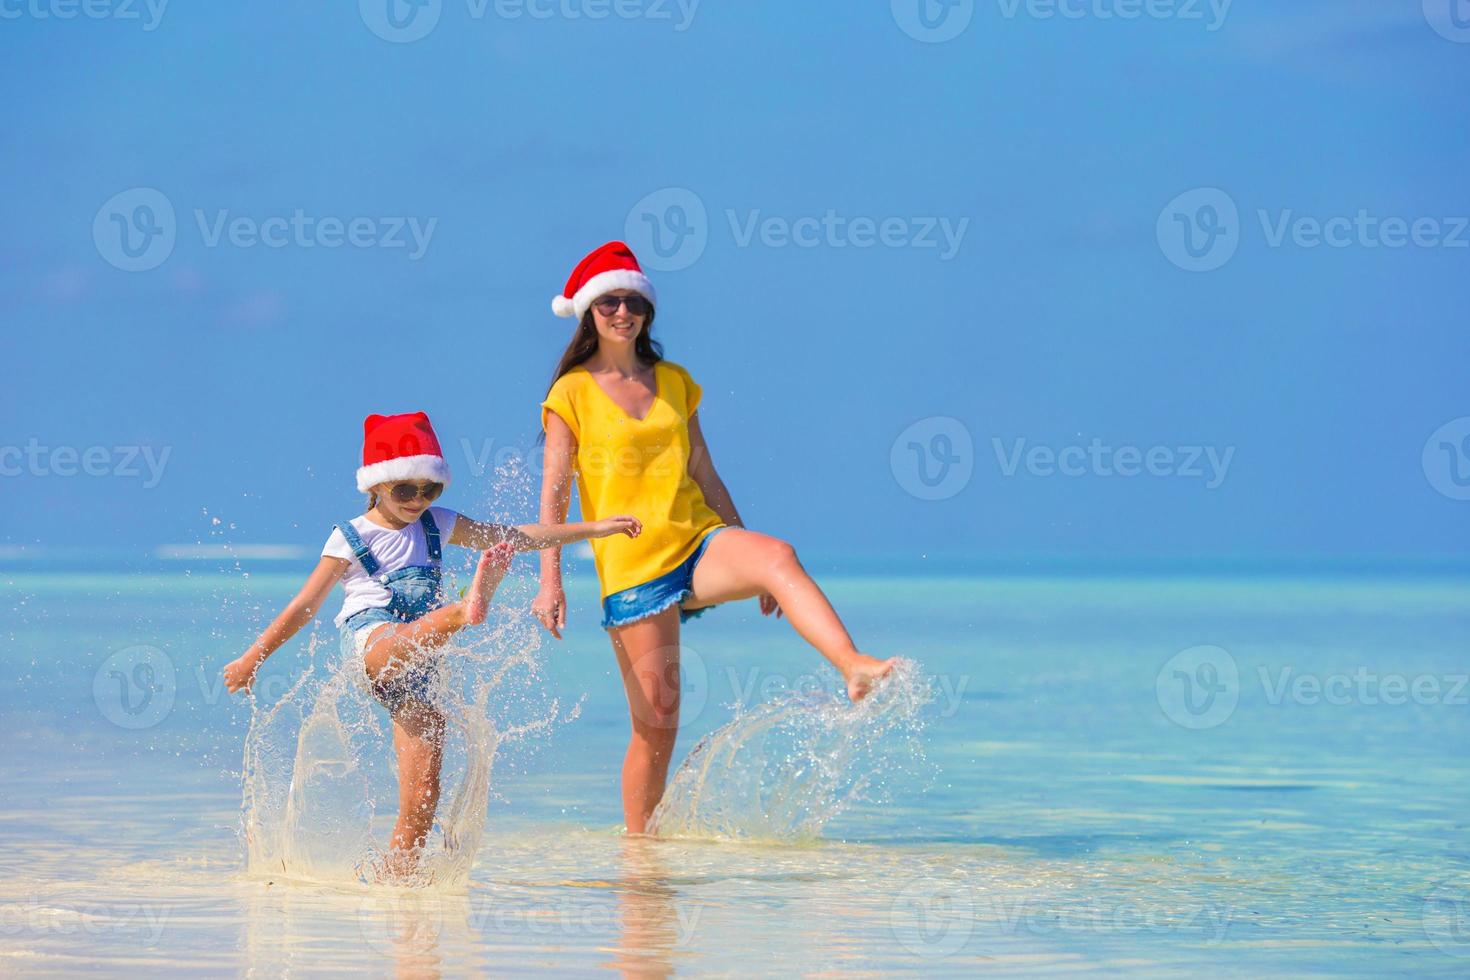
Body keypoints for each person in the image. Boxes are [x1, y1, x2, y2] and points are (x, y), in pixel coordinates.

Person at [534, 242, 896, 833]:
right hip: (634, 568)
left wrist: (751, 561)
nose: (622, 312)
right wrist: (550, 580)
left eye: (633, 301)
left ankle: (853, 665)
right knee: (657, 727)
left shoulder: (675, 382)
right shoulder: (571, 393)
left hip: (698, 540)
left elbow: (705, 473)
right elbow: (553, 494)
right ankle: (639, 852)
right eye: (608, 303)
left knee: (778, 554)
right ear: (588, 314)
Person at [223, 410, 640, 877]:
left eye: (430, 489)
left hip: (418, 670)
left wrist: (597, 529)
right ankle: (466, 610)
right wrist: (251, 658)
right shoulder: (350, 538)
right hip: (372, 645)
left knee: (423, 793)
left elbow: (516, 537)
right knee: (397, 640)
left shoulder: (437, 524)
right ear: (376, 485)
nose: (418, 500)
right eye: (405, 489)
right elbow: (304, 606)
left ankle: (396, 888)